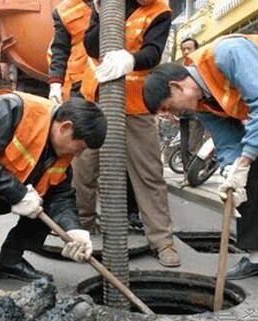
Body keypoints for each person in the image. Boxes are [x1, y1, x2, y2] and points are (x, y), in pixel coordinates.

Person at [143, 34, 258, 298]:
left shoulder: (227, 54)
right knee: (250, 178)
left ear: (177, 87)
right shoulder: (202, 105)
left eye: (169, 107)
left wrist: (246, 157)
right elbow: (228, 144)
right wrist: (231, 170)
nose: (172, 115)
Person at [0, 90, 107, 296]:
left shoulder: (60, 149)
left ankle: (10, 260)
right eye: (81, 147)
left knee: (46, 201)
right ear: (66, 128)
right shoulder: (11, 108)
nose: (79, 154)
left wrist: (73, 230)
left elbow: (60, 196)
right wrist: (18, 193)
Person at [78, 0, 181, 267]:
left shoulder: (159, 11)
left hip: (135, 103)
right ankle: (82, 230)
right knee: (83, 168)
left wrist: (131, 59)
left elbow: (153, 53)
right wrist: (101, 16)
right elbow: (90, 45)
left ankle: (162, 241)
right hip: (96, 99)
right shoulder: (106, 3)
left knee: (148, 173)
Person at [48, 0, 143, 233]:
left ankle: (130, 215)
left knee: (126, 160)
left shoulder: (129, 4)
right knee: (84, 164)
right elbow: (59, 50)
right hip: (82, 89)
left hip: (121, 85)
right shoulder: (65, 10)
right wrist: (55, 84)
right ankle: (83, 224)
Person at [178, 37, 204, 187]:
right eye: (184, 49)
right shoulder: (181, 67)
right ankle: (186, 175)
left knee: (193, 146)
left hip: (197, 113)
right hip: (183, 114)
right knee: (183, 146)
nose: (186, 51)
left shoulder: (199, 65)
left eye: (189, 48)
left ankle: (193, 176)